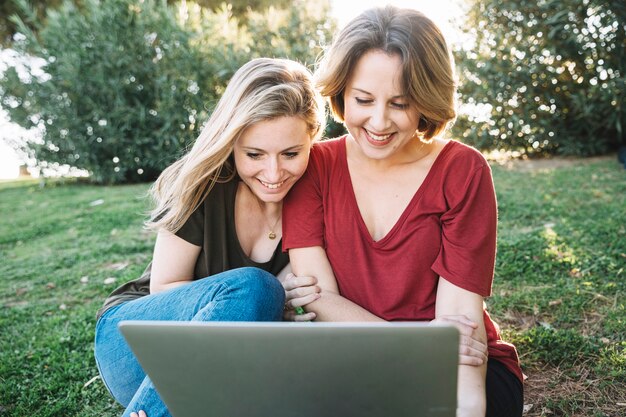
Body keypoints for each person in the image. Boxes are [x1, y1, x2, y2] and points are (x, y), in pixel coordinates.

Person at [282, 6, 524, 417]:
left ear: (427, 100)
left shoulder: (462, 171)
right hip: (352, 362)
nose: (378, 122)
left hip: (455, 372)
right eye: (363, 99)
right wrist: (417, 344)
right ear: (341, 92)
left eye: (401, 102)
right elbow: (320, 301)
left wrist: (463, 402)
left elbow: (460, 334)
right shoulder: (314, 167)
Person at [94, 57, 325, 417]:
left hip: (233, 362)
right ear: (231, 142)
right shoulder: (204, 185)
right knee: (255, 288)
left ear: (313, 139)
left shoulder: (318, 191)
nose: (274, 173)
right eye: (254, 154)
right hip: (138, 344)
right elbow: (165, 286)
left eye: (291, 154)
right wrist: (269, 297)